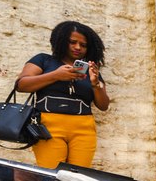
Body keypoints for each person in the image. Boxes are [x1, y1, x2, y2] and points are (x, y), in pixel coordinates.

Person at [15, 21, 110, 169]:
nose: (78, 47)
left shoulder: (89, 69)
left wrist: (96, 84)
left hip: (84, 129)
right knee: (50, 177)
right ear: (60, 40)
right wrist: (56, 75)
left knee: (78, 179)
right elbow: (21, 85)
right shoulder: (43, 60)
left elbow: (103, 106)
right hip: (48, 128)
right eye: (72, 42)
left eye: (83, 45)